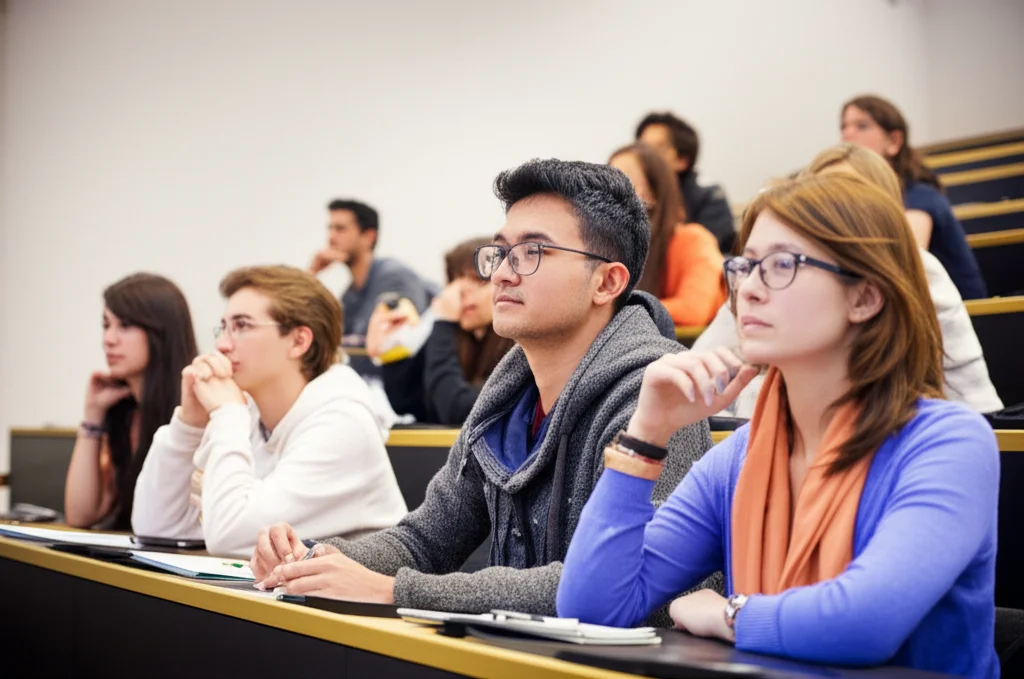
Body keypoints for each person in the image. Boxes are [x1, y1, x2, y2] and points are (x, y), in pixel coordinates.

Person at [558, 173, 999, 678]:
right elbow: (593, 608)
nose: (749, 290)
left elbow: (862, 623)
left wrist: (729, 612)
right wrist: (646, 432)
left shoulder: (951, 443)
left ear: (865, 297)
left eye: (783, 265)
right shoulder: (740, 456)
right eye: (746, 266)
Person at [249, 159, 715, 615]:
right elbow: (425, 540)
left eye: (533, 252)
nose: (502, 274)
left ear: (606, 281)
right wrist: (313, 559)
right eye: (500, 252)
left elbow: (626, 585)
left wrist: (398, 592)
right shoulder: (510, 394)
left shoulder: (658, 394)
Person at [694, 143, 1003, 417]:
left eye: (850, 194)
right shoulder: (760, 277)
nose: (749, 290)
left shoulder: (918, 268)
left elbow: (976, 401)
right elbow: (698, 367)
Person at [131, 265, 407, 556]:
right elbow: (155, 529)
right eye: (223, 327)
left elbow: (228, 537)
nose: (222, 344)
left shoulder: (343, 421)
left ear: (299, 341)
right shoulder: (249, 413)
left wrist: (228, 414)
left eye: (242, 326)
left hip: (360, 600)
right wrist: (189, 426)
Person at [64, 274, 199, 530]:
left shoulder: (194, 412)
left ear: (161, 332)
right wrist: (92, 417)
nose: (109, 339)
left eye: (124, 325)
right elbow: (80, 515)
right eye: (106, 325)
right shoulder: (123, 413)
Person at [841, 95, 987, 300]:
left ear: (894, 141)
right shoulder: (867, 200)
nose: (847, 134)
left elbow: (903, 267)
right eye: (844, 126)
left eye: (862, 126)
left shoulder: (920, 196)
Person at [366, 236, 515, 425]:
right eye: (457, 280)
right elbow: (408, 404)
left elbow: (458, 411)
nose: (462, 291)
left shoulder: (517, 349)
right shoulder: (458, 338)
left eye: (478, 280)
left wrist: (443, 322)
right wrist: (393, 353)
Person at [609, 143, 727, 326]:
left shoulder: (694, 240)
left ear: (654, 192)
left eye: (622, 181)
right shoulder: (611, 245)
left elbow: (692, 310)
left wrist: (614, 310)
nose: (608, 192)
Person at [308, 198, 435, 341]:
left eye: (340, 229)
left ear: (369, 237)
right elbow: (335, 339)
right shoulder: (351, 293)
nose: (331, 237)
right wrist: (311, 275)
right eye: (330, 228)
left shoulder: (394, 277)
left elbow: (386, 340)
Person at [635, 112, 735, 253]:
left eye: (657, 149)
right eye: (641, 148)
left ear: (682, 160)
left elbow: (705, 255)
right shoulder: (633, 199)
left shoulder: (710, 199)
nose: (645, 158)